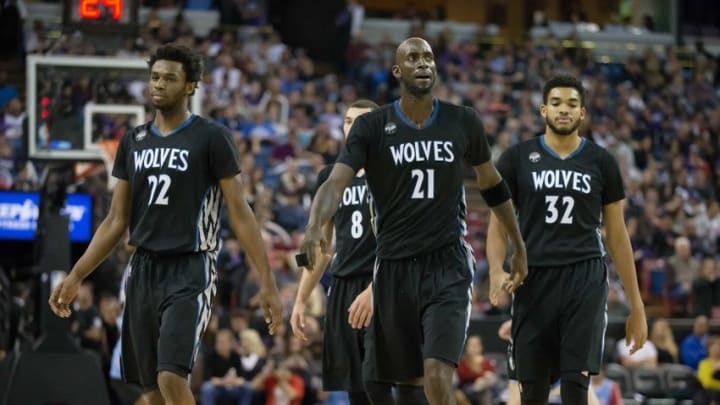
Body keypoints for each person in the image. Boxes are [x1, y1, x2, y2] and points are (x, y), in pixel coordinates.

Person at [48, 43, 283, 405]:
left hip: (190, 267)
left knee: (171, 376)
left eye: (170, 78)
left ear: (191, 86)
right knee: (151, 391)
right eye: (155, 77)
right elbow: (116, 219)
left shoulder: (211, 137)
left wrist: (267, 282)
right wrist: (77, 274)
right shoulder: (133, 141)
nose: (158, 84)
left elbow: (240, 211)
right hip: (143, 268)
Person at [300, 37, 527, 405]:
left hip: (447, 264)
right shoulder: (372, 127)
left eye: (428, 57)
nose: (423, 63)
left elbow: (493, 185)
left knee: (436, 374)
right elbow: (335, 183)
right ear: (397, 70)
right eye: (413, 58)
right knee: (392, 384)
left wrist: (517, 243)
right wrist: (313, 226)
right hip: (393, 267)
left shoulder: (462, 120)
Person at [487, 74, 647, 405]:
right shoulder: (517, 158)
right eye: (557, 103)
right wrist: (494, 270)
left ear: (583, 113)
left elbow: (617, 236)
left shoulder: (602, 161)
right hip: (533, 277)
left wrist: (637, 306)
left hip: (584, 276)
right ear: (543, 110)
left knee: (577, 382)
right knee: (532, 389)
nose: (564, 110)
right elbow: (498, 223)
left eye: (572, 104)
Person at [291, 99, 382, 405]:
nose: (352, 126)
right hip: (343, 285)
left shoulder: (391, 173)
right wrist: (301, 299)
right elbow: (321, 245)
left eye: (361, 120)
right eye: (347, 120)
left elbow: (402, 240)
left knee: (381, 380)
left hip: (382, 283)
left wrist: (376, 287)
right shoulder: (329, 177)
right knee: (355, 387)